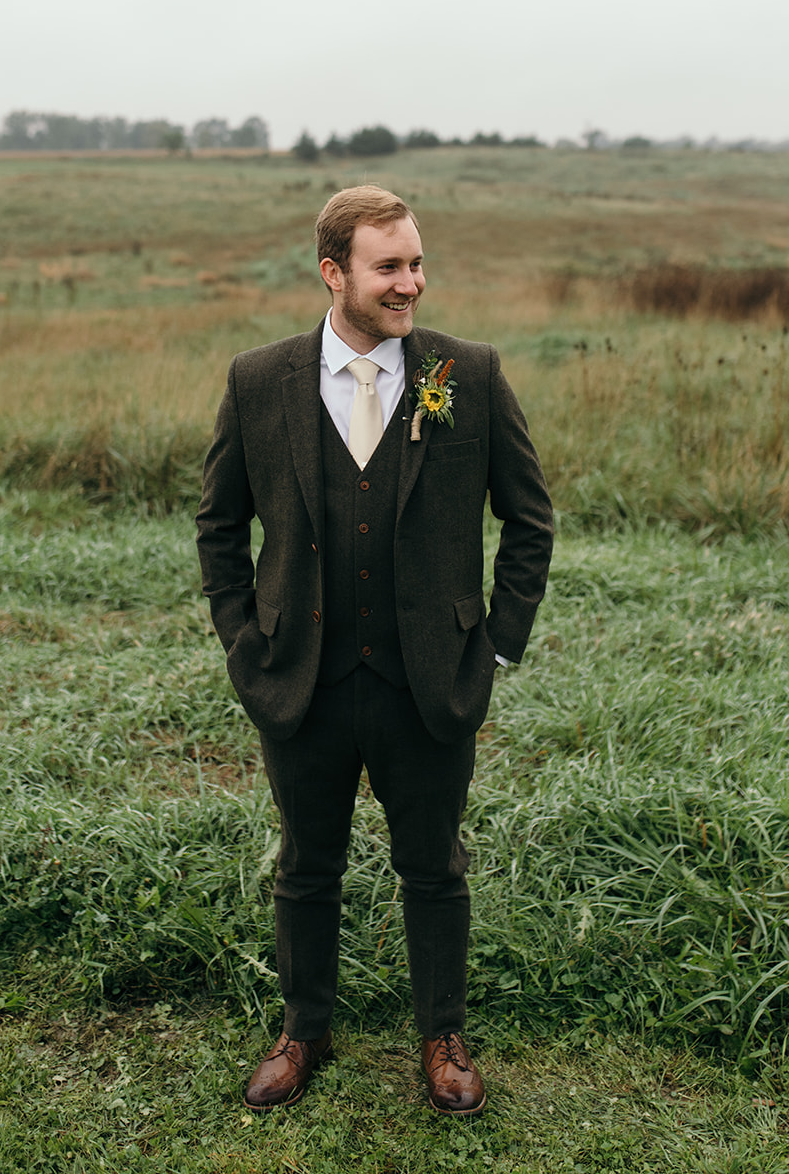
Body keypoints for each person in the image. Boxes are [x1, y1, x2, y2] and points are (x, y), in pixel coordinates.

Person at [196, 184, 553, 1116]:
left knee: (432, 867)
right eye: (389, 266)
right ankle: (302, 1031)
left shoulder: (464, 373)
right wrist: (244, 641)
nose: (411, 284)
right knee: (305, 865)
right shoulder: (257, 379)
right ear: (335, 273)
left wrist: (497, 648)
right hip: (299, 679)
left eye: (417, 262)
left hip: (428, 680)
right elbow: (218, 526)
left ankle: (442, 1036)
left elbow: (529, 519)